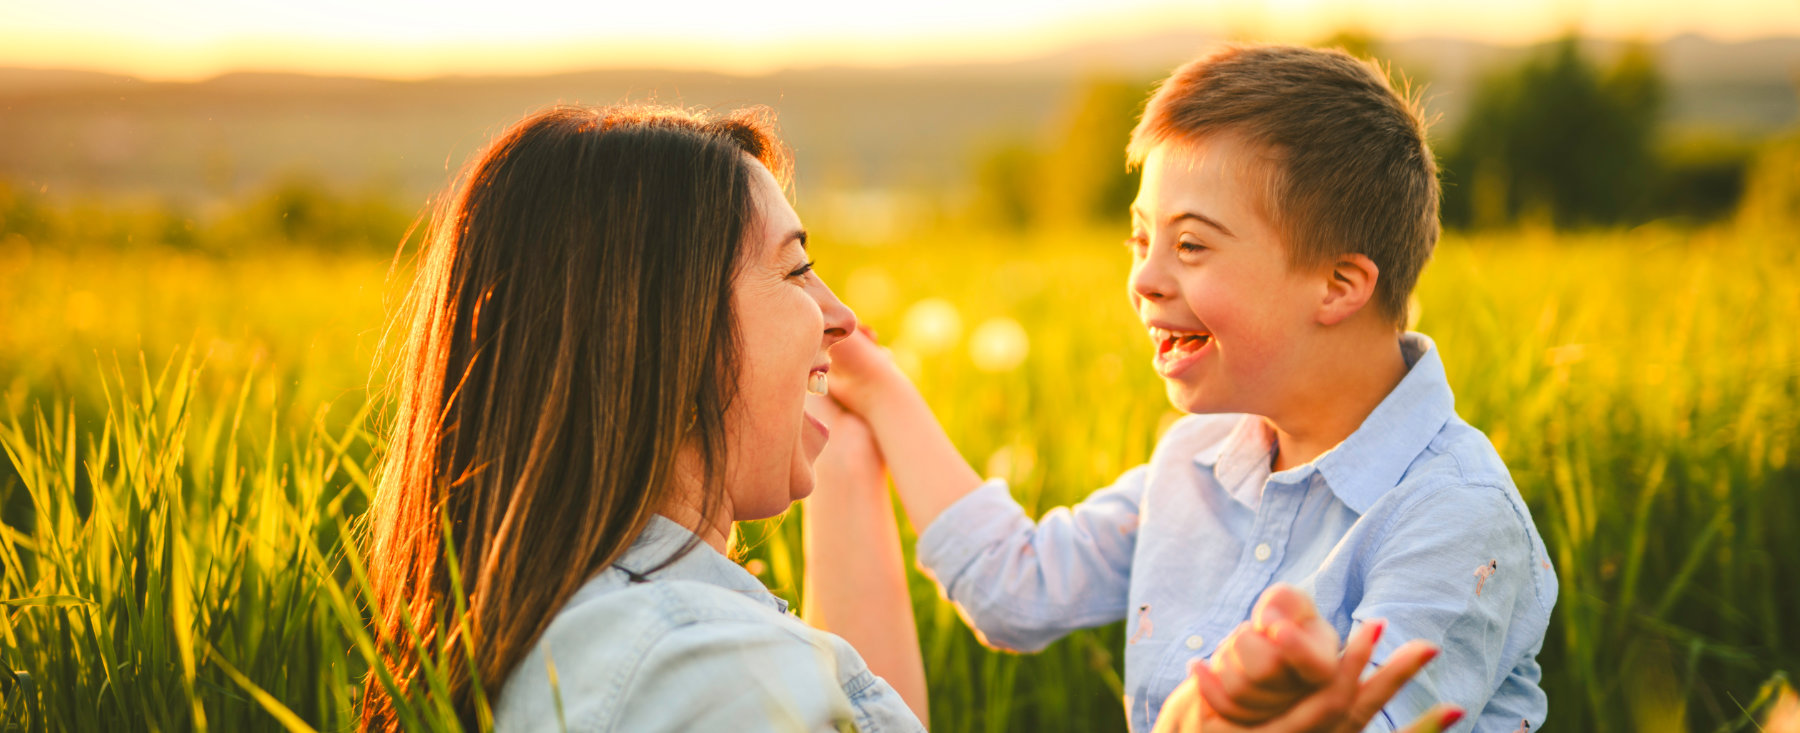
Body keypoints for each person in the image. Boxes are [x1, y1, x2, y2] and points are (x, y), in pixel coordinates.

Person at [356, 103, 1452, 733]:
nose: (838, 319)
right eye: (796, 272)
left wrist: (849, 450)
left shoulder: (641, 618)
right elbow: (1012, 587)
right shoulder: (694, 675)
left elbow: (859, 695)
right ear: (664, 326)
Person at [821, 44, 1559, 732]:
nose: (1142, 279)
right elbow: (1016, 589)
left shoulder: (1454, 514)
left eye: (1191, 245)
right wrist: (877, 385)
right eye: (1140, 240)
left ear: (1338, 285)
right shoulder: (1197, 457)